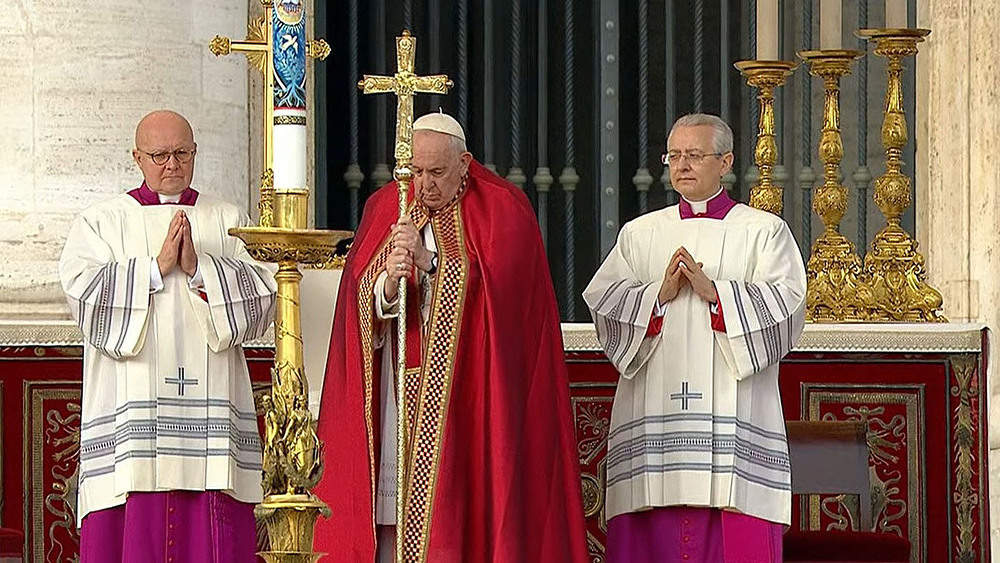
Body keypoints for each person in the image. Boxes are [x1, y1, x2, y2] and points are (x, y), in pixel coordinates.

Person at [313, 111, 588, 562]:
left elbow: (505, 304)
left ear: (465, 163)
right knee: (390, 522)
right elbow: (358, 303)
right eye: (416, 171)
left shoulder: (503, 208)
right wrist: (387, 283)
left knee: (459, 518)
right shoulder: (385, 207)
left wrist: (430, 264)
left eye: (437, 172)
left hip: (467, 405)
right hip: (396, 396)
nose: (424, 184)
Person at [583, 113, 806, 562]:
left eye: (695, 155)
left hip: (736, 418)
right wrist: (658, 295)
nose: (682, 165)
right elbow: (605, 303)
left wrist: (716, 294)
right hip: (655, 411)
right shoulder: (640, 234)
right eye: (674, 156)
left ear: (725, 162)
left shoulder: (763, 232)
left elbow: (787, 305)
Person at [59, 110, 276, 562]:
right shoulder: (102, 222)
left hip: (212, 434)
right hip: (132, 437)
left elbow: (263, 297)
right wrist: (155, 269)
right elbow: (84, 296)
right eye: (159, 155)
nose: (172, 164)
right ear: (137, 157)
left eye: (182, 153)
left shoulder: (228, 219)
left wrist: (201, 269)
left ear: (195, 153)